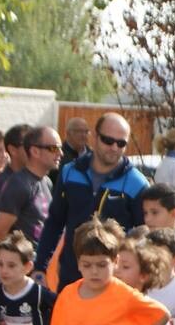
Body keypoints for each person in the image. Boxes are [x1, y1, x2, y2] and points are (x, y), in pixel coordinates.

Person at [37, 114, 149, 289]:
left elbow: (143, 234)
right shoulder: (69, 172)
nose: (114, 147)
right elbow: (55, 221)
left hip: (113, 278)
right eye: (108, 140)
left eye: (121, 143)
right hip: (71, 273)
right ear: (95, 137)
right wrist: (40, 266)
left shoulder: (137, 183)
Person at [0, 125, 58, 242]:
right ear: (12, 150)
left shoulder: (45, 181)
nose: (30, 148)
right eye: (26, 144)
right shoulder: (3, 182)